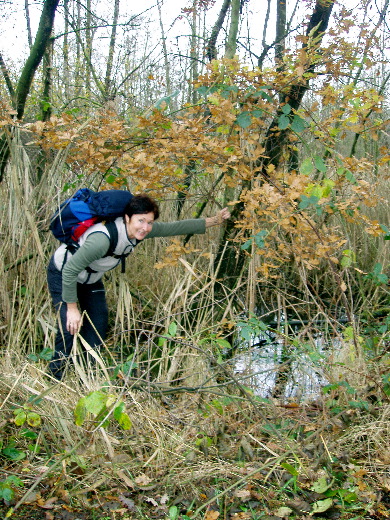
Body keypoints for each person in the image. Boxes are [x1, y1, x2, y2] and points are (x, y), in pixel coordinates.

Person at [47, 194, 230, 380]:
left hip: (90, 278)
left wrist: (214, 220)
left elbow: (173, 227)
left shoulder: (139, 232)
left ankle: (86, 377)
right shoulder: (102, 240)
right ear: (127, 218)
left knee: (98, 324)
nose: (145, 227)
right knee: (69, 326)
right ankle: (55, 376)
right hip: (63, 273)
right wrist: (71, 307)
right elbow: (70, 270)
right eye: (141, 220)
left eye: (149, 222)